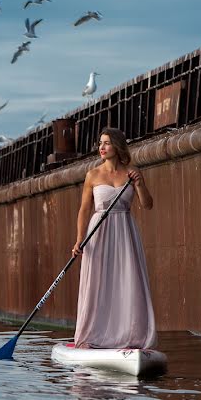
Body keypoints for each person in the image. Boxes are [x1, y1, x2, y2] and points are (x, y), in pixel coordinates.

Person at [71, 127, 156, 349]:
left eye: (106, 143)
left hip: (125, 232)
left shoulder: (131, 172)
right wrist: (79, 239)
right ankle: (92, 336)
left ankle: (129, 337)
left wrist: (139, 184)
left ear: (117, 146)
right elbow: (84, 210)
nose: (101, 147)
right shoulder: (93, 175)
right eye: (100, 143)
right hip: (98, 233)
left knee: (127, 281)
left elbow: (147, 205)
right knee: (98, 282)